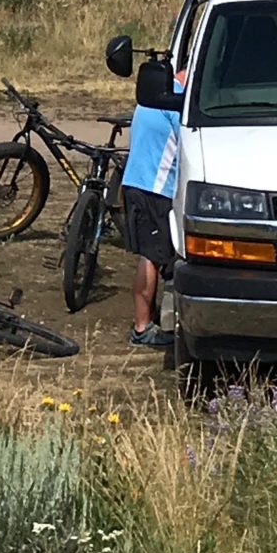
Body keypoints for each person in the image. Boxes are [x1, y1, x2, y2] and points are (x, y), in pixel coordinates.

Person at [120, 60, 186, 349]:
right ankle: (142, 327)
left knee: (154, 255)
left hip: (136, 181)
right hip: (155, 190)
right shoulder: (177, 103)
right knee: (152, 257)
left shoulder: (157, 91)